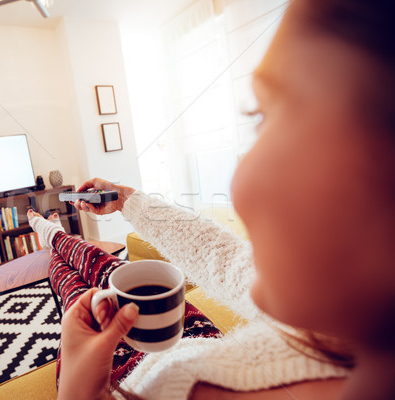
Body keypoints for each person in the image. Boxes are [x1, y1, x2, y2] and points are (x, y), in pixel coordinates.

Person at [28, 0, 395, 398]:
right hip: (190, 336)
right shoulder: (335, 325)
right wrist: (127, 200)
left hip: (124, 362)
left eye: (266, 115)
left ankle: (45, 233)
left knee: (70, 276)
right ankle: (49, 234)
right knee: (90, 260)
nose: (240, 184)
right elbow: (223, 258)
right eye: (260, 117)